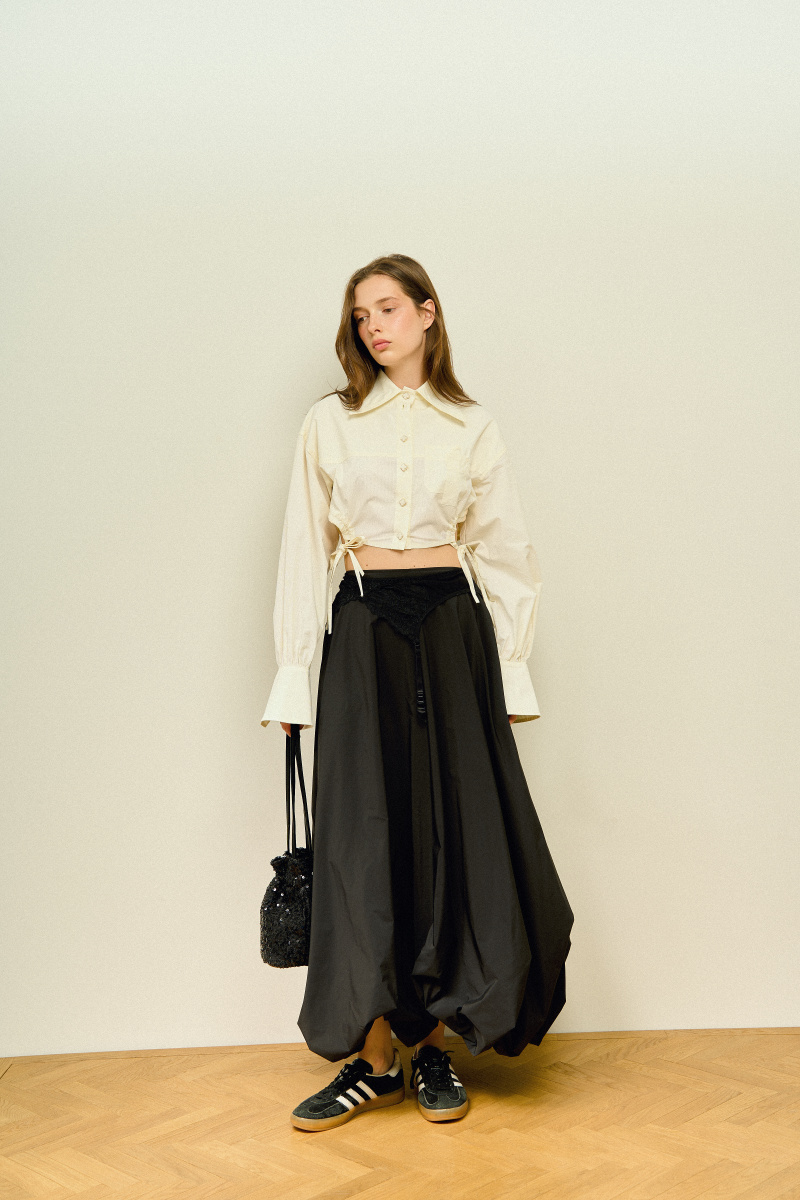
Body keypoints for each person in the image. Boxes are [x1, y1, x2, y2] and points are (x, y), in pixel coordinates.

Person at [261, 253, 574, 1132]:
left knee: (449, 838)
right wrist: (293, 677)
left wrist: (510, 671)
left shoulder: (471, 424)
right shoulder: (330, 422)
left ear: (428, 313)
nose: (374, 327)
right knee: (364, 841)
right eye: (361, 316)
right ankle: (372, 1062)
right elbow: (303, 548)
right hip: (362, 628)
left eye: (388, 309)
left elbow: (506, 551)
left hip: (451, 632)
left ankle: (432, 1046)